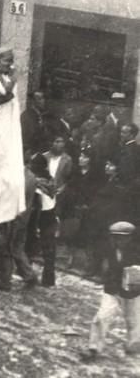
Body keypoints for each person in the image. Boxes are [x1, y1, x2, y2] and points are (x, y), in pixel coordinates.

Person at [81, 221, 140, 362]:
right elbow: (102, 265)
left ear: (129, 238)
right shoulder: (108, 248)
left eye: (121, 237)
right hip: (112, 289)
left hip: (133, 292)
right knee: (102, 317)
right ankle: (93, 348)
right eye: (114, 237)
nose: (117, 240)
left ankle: (133, 345)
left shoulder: (137, 251)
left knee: (134, 320)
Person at [0, 157, 39, 291]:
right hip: (23, 219)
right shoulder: (31, 177)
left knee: (5, 249)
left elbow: (14, 200)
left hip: (14, 218)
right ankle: (29, 276)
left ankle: (3, 282)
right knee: (17, 249)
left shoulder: (21, 179)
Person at [29, 153, 58, 287]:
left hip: (40, 217)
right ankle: (48, 279)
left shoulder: (36, 183)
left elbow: (38, 205)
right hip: (51, 216)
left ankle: (29, 275)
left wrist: (36, 226)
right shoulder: (51, 181)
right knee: (49, 251)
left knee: (31, 246)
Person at [43, 135, 73, 218]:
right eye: (57, 142)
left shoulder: (67, 159)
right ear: (52, 143)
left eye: (62, 142)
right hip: (44, 191)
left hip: (59, 192)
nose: (60, 144)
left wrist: (63, 188)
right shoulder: (44, 157)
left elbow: (68, 178)